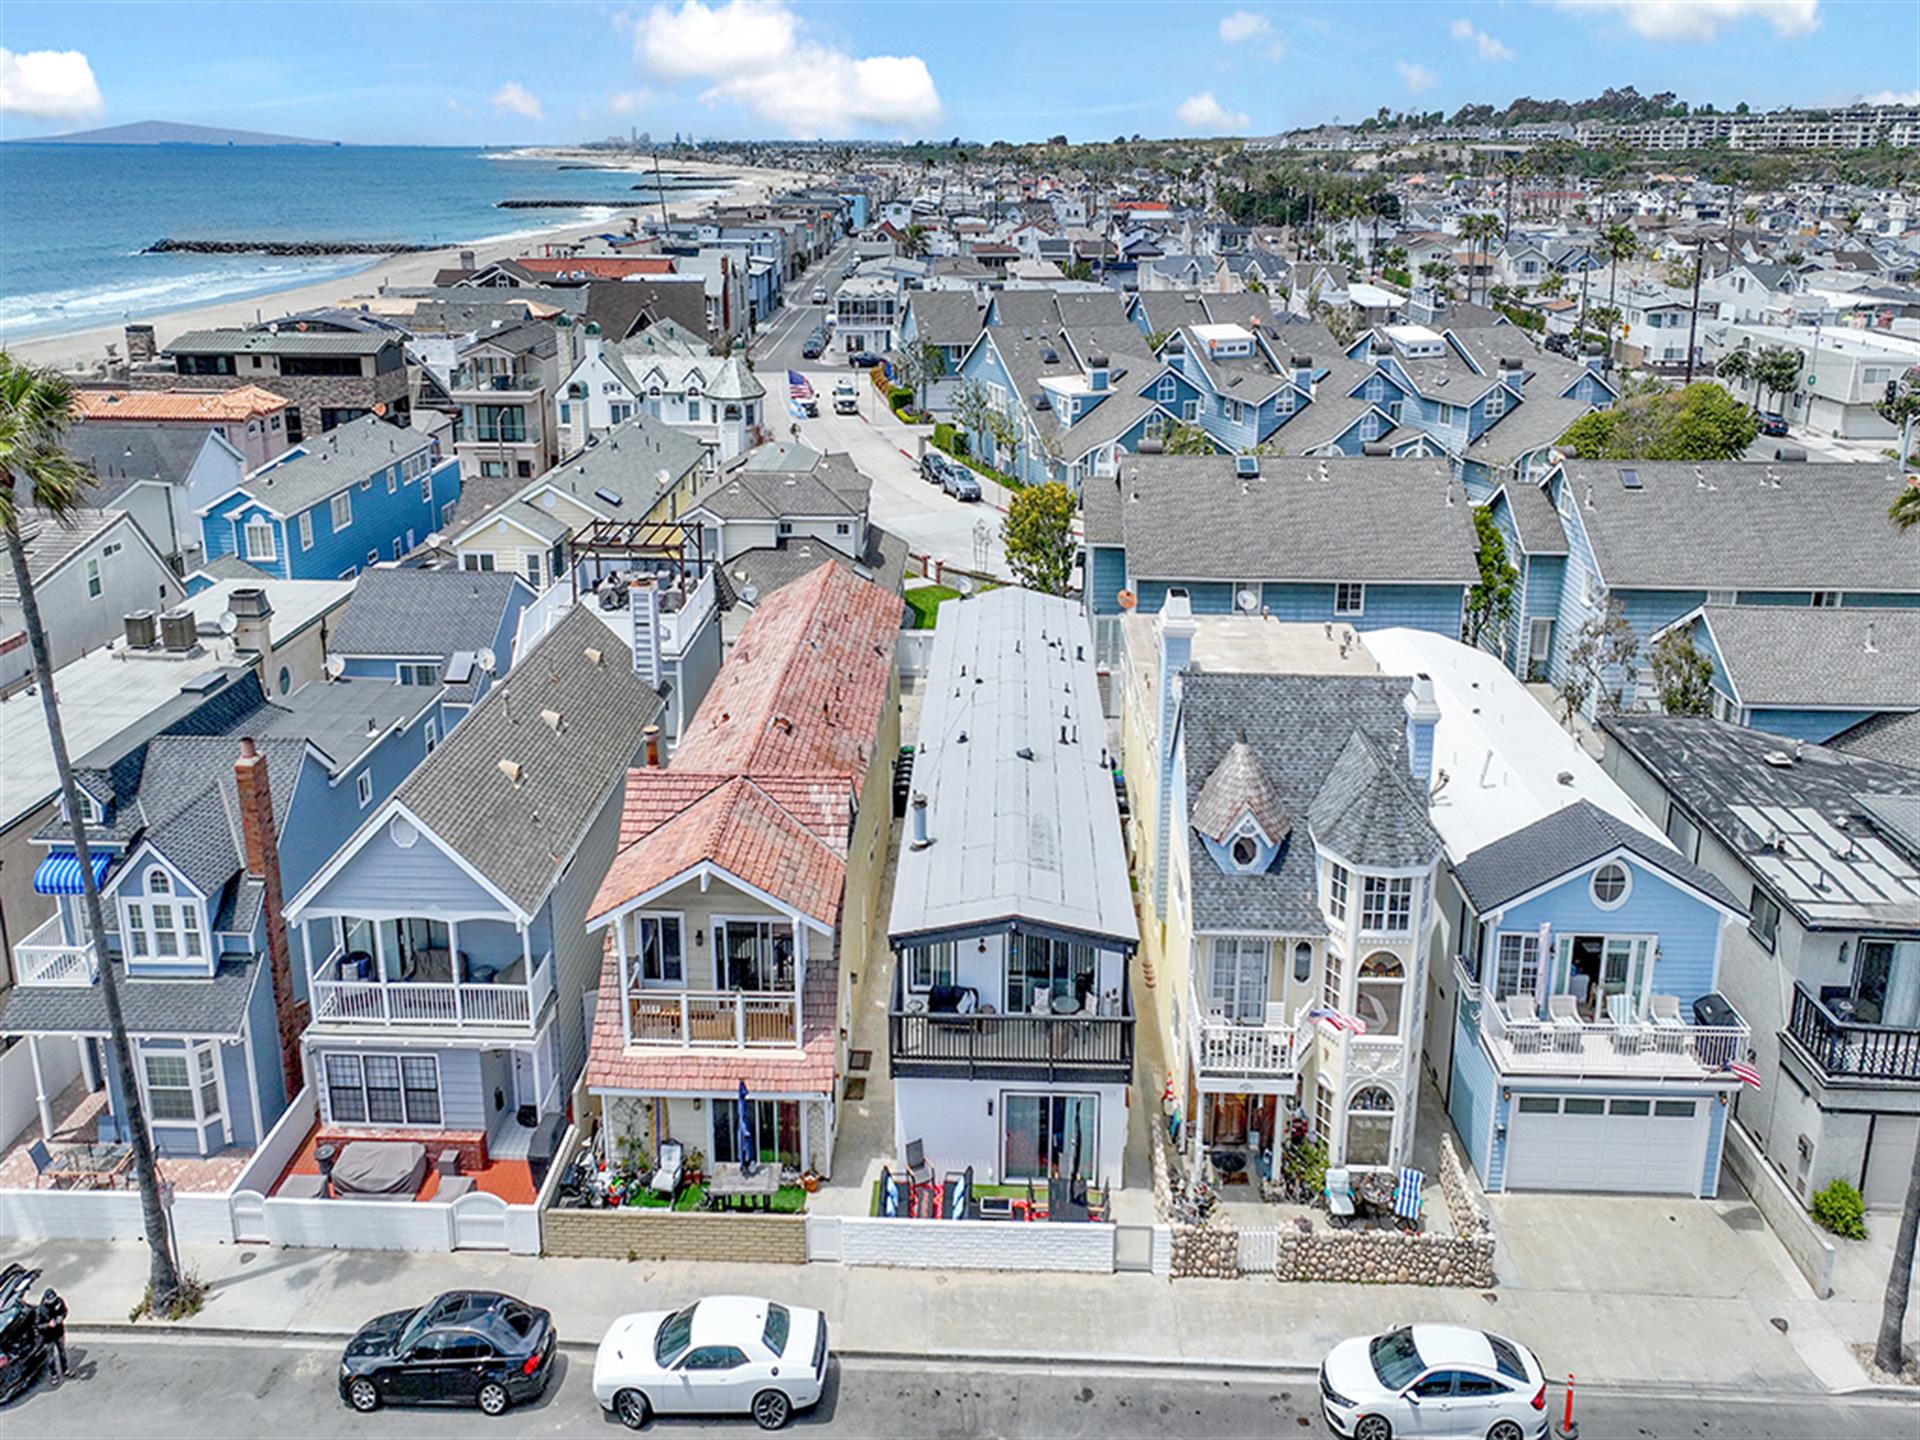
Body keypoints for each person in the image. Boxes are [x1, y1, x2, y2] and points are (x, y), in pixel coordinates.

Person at [36, 1286, 67, 1383]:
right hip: (48, 1337)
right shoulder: (41, 1310)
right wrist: (48, 1325)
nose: (52, 1302)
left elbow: (64, 1311)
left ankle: (65, 1369)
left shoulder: (59, 1302)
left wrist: (61, 1317)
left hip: (58, 1332)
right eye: (50, 1300)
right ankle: (54, 1375)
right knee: (51, 1357)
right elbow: (38, 1325)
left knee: (62, 1352)